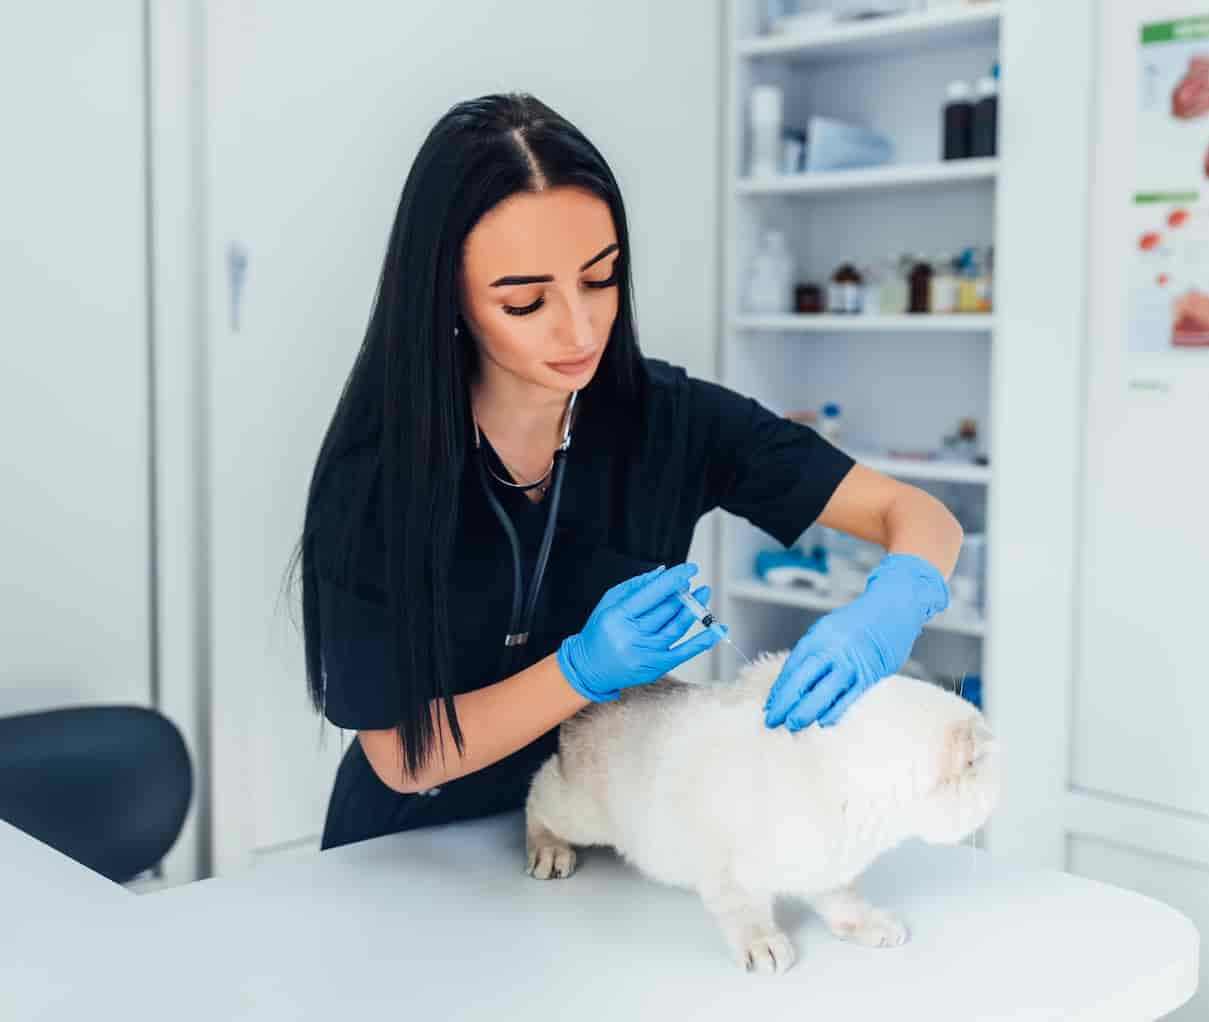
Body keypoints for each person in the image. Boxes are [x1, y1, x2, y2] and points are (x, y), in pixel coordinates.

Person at [299, 93, 961, 850]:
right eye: (524, 301)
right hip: (413, 849)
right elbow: (403, 758)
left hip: (608, 833)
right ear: (448, 297)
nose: (579, 329)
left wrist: (887, 612)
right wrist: (579, 670)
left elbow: (916, 516)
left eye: (600, 278)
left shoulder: (669, 421)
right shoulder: (379, 473)